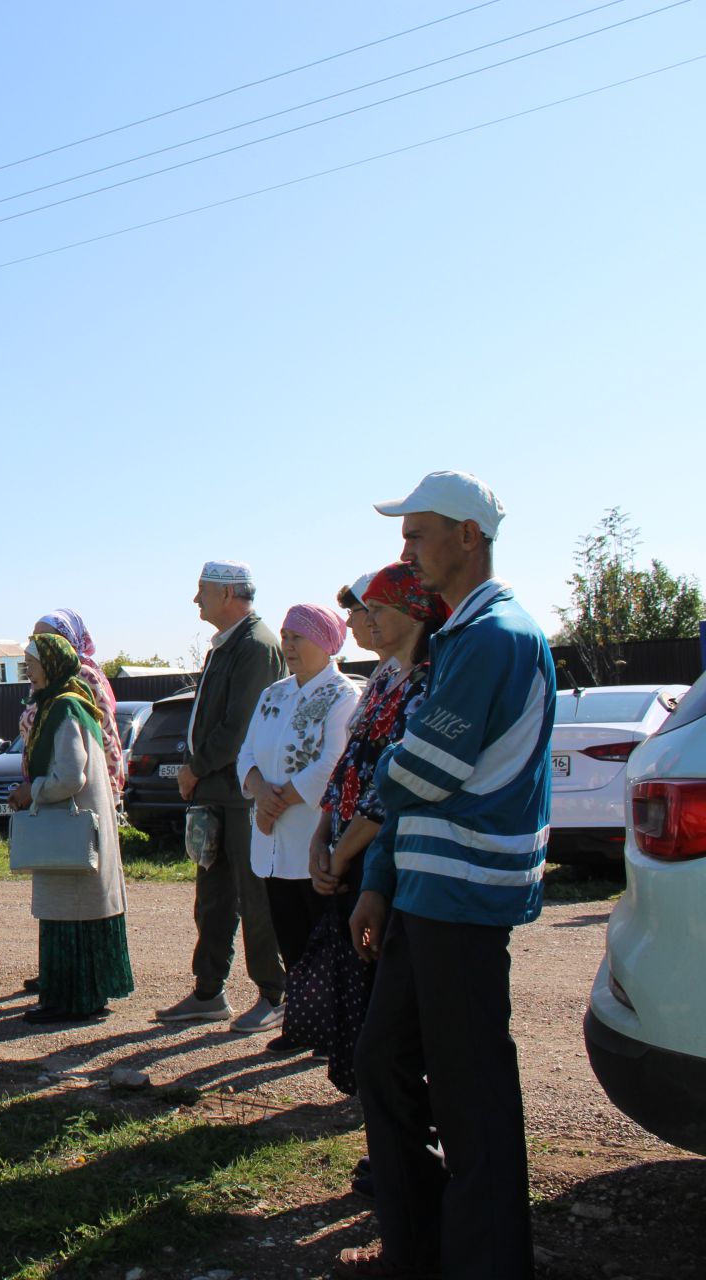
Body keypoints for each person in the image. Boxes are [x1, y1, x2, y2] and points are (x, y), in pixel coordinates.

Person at [339, 473, 553, 1280]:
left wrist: (389, 766)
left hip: (464, 893)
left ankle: (483, 1261)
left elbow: (418, 769)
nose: (406, 550)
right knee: (382, 1063)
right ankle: (420, 1245)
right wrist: (380, 883)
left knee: (471, 1094)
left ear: (470, 536)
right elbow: (411, 775)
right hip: (427, 888)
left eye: (418, 534)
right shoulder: (462, 636)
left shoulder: (497, 635)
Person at [287, 563, 447, 1096]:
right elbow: (350, 765)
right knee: (359, 993)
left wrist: (344, 852)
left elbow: (390, 787)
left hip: (384, 860)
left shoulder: (426, 683)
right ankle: (376, 1110)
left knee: (389, 1003)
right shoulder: (381, 678)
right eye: (363, 609)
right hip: (346, 851)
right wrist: (321, 835)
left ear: (413, 611)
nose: (363, 620)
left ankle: (394, 1120)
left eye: (373, 608)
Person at [156, 561, 289, 1031]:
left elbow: (239, 728)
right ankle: (209, 992)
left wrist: (195, 767)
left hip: (240, 795)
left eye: (203, 591)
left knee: (254, 900)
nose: (196, 601)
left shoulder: (255, 645)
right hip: (216, 793)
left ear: (230, 593)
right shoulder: (229, 644)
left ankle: (274, 995)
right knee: (212, 900)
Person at [234, 603, 360, 1045]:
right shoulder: (275, 694)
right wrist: (260, 791)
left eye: (297, 637)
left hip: (310, 835)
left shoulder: (344, 697)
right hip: (270, 837)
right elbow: (246, 752)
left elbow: (332, 763)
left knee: (320, 939)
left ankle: (330, 1028)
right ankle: (302, 1023)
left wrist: (279, 799)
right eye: (285, 635)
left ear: (325, 643)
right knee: (289, 936)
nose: (287, 645)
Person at [10, 633, 133, 1023]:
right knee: (75, 913)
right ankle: (75, 998)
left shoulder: (63, 708)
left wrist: (33, 791)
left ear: (52, 665)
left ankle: (72, 1002)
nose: (27, 669)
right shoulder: (70, 703)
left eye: (32, 662)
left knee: (71, 917)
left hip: (72, 828)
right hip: (81, 827)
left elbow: (69, 776)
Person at [32, 609, 124, 791]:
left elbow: (105, 734)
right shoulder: (40, 677)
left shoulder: (82, 675)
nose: (38, 644)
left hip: (76, 790)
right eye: (34, 638)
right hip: (44, 787)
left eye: (45, 637)